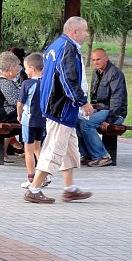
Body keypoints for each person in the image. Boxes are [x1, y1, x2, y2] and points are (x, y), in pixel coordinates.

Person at [23, 16, 94, 204]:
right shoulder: (68, 49)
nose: (86, 35)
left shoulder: (54, 46)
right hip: (61, 108)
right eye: (84, 31)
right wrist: (82, 101)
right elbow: (67, 79)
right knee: (54, 148)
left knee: (69, 148)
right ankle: (35, 188)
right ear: (74, 31)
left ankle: (70, 188)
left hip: (55, 105)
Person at [77, 48, 127, 167]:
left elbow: (117, 100)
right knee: (76, 120)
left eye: (98, 59)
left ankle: (102, 156)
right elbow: (94, 97)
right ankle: (87, 154)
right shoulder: (96, 73)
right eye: (93, 60)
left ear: (106, 58)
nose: (96, 62)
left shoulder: (115, 73)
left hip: (114, 112)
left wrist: (109, 121)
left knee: (86, 124)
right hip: (100, 110)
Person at [17, 52, 46, 188]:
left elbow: (20, 103)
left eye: (26, 68)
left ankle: (31, 178)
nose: (25, 70)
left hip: (28, 120)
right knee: (37, 147)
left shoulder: (27, 83)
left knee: (28, 149)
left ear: (32, 69)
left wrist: (19, 115)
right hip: (42, 120)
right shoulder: (46, 83)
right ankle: (45, 176)